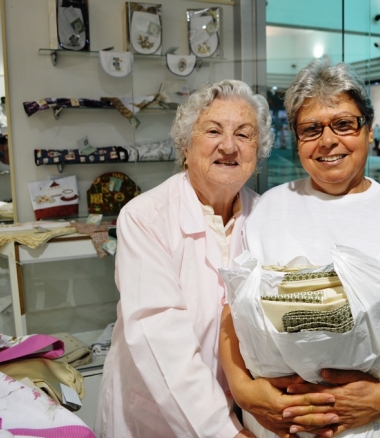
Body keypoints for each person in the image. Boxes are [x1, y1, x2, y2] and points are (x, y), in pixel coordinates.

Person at [220, 58, 380, 438]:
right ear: (296, 140)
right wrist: (247, 394)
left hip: (373, 426)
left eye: (343, 124)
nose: (328, 141)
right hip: (277, 427)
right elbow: (233, 314)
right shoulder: (267, 209)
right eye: (311, 129)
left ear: (368, 131)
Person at [95, 80, 277, 437]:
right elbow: (161, 338)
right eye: (213, 131)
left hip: (243, 411)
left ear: (259, 150)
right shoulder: (146, 217)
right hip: (158, 417)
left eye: (244, 134)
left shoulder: (266, 217)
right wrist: (226, 433)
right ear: (185, 145)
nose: (229, 146)